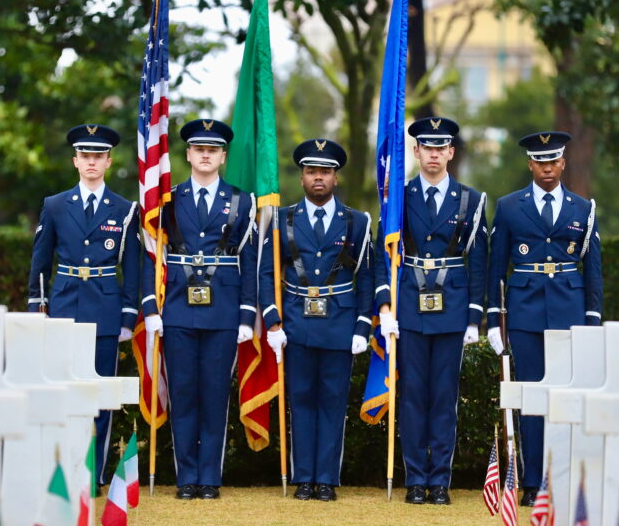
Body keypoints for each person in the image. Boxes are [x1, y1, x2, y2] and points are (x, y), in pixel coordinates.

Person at [139, 118, 258, 500]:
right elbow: (150, 257)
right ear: (187, 154)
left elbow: (250, 261)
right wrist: (150, 307)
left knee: (214, 394)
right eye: (198, 149)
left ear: (223, 157)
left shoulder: (242, 201)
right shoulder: (166, 201)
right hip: (177, 309)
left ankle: (210, 477)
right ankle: (186, 476)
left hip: (223, 311)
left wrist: (246, 315)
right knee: (184, 393)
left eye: (213, 150)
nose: (205, 155)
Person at [486, 130, 603, 505]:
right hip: (524, 312)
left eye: (554, 161)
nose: (547, 167)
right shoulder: (508, 207)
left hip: (569, 312)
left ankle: (562, 478)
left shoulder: (583, 209)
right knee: (533, 398)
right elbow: (495, 268)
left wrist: (593, 318)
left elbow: (593, 270)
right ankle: (533, 481)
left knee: (566, 399)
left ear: (563, 163)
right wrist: (492, 318)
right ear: (530, 164)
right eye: (541, 161)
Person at [375, 117, 487, 505]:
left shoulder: (471, 201)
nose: (434, 153)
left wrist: (474, 316)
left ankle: (439, 480)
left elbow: (480, 262)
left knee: (444, 396)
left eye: (442, 147)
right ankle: (415, 480)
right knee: (412, 397)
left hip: (452, 309)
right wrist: (385, 305)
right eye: (427, 147)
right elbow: (382, 255)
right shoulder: (399, 201)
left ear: (451, 153)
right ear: (416, 151)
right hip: (409, 307)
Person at [26, 123, 142, 484]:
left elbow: (133, 268)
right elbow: (40, 261)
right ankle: (63, 470)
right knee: (63, 394)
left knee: (101, 396)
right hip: (64, 307)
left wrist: (127, 316)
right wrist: (38, 307)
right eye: (85, 156)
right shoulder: (55, 205)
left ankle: (96, 474)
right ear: (75, 161)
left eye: (99, 156)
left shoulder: (125, 210)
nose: (92, 162)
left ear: (109, 161)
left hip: (105, 312)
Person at [259, 138, 374, 503]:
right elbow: (266, 273)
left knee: (333, 401)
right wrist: (273, 321)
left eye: (325, 171)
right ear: (302, 177)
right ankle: (303, 476)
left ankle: (326, 478)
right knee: (301, 400)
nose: (318, 178)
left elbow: (368, 277)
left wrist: (362, 325)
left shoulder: (356, 222)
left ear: (336, 178)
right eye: (312, 172)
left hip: (339, 323)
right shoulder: (280, 220)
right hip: (295, 323)